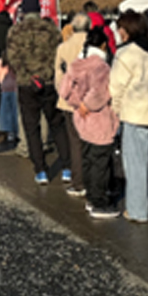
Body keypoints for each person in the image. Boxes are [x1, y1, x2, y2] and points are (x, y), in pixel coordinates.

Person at [110, 10, 148, 222]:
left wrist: (116, 110)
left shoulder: (125, 53)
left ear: (125, 30)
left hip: (136, 114)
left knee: (136, 166)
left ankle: (137, 211)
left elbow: (116, 87)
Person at [6, 0, 71, 184]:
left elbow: (13, 58)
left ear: (24, 11)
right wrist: (46, 75)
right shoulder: (51, 30)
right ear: (39, 9)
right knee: (57, 124)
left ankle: (41, 170)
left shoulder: (15, 31)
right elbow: (58, 57)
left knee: (31, 127)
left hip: (27, 84)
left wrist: (28, 75)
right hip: (49, 83)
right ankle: (67, 166)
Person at [59, 27, 119, 218]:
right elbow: (100, 92)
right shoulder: (101, 67)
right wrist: (87, 104)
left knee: (87, 157)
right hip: (98, 119)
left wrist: (77, 103)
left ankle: (91, 196)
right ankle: (98, 201)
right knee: (100, 161)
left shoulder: (76, 64)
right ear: (103, 45)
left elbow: (64, 90)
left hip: (81, 118)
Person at [55, 13, 90, 195]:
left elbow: (58, 77)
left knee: (75, 142)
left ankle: (79, 182)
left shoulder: (63, 48)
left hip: (69, 101)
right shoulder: (94, 46)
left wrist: (64, 94)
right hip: (91, 100)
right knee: (91, 141)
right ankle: (93, 180)